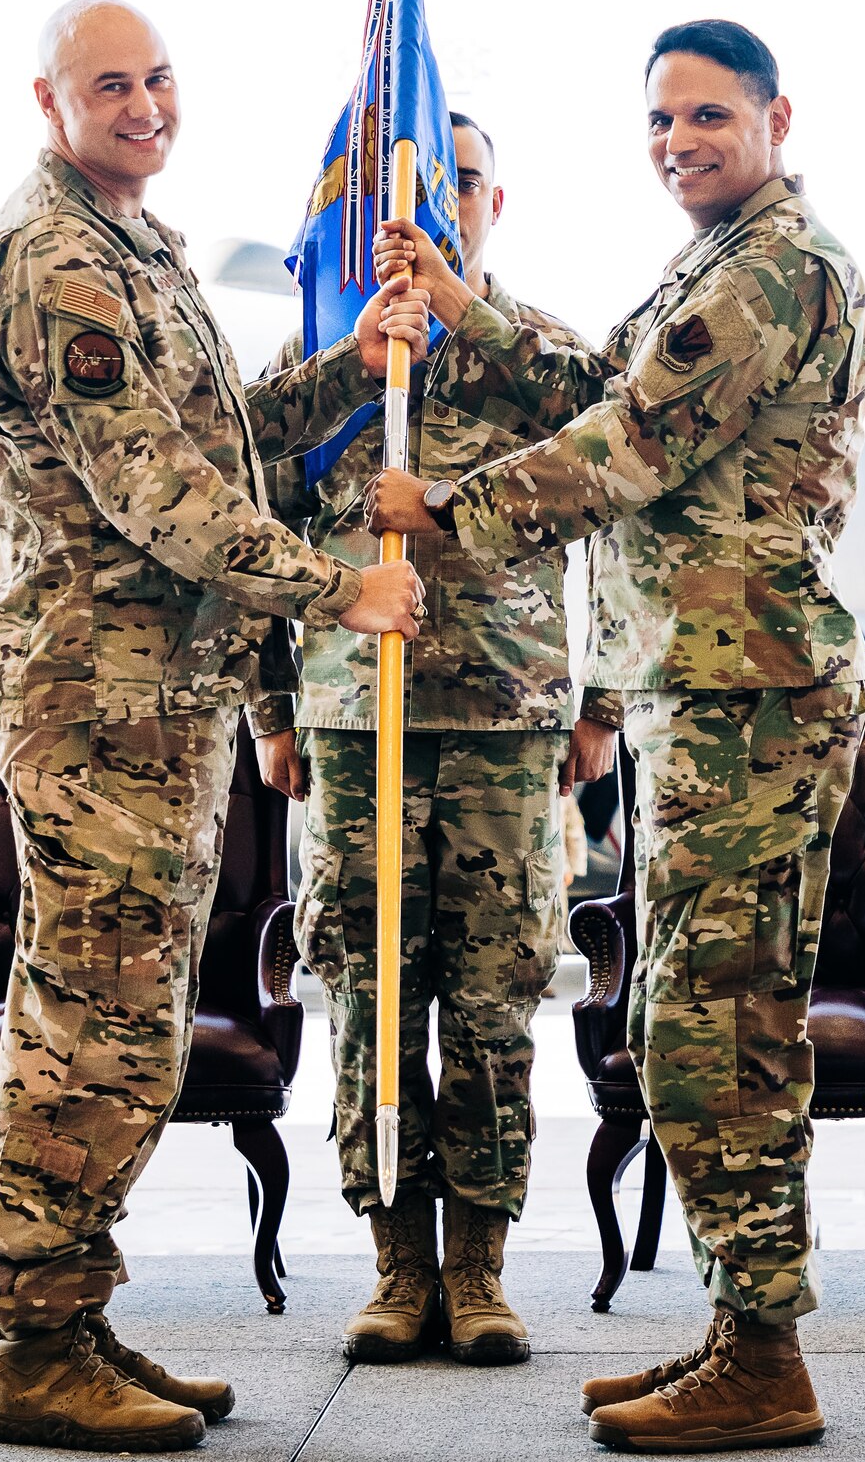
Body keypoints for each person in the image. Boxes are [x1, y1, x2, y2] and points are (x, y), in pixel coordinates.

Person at [366, 21, 865, 1453]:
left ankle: (765, 1358)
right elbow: (604, 378)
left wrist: (450, 510)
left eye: (708, 116)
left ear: (778, 115)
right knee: (692, 1013)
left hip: (750, 703)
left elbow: (627, 443)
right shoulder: (717, 263)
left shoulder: (777, 268)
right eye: (660, 122)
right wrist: (470, 317)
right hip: (706, 698)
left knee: (721, 1026)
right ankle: (736, 1333)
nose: (679, 143)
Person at [0, 0, 429, 1452]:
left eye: (160, 77)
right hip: (100, 700)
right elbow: (154, 492)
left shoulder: (132, 246)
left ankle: (75, 1315)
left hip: (157, 701)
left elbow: (218, 437)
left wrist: (352, 373)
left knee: (127, 1020)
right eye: (113, 84)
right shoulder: (55, 265)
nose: (146, 104)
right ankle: (35, 1341)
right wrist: (340, 589)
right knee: (93, 1017)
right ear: (50, 100)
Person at [256, 113, 622, 1367]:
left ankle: (480, 1266)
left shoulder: (538, 357)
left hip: (508, 729)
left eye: (449, 180)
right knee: (369, 995)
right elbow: (257, 528)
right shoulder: (328, 351)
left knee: (494, 998)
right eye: (393, 180)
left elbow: (629, 473)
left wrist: (604, 704)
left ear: (492, 199)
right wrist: (272, 708)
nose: (419, 203)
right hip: (357, 722)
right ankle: (396, 1261)